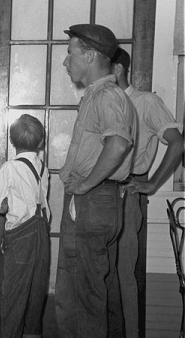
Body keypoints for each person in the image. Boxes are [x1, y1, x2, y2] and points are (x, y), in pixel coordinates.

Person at [55, 24, 137, 337]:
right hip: (94, 200)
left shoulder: (107, 95)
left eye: (70, 54)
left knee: (81, 297)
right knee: (86, 292)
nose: (66, 62)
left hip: (93, 200)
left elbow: (118, 144)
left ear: (89, 55)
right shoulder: (98, 95)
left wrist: (87, 184)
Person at [110, 47, 184, 337]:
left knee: (123, 273)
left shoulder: (146, 102)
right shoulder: (105, 103)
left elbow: (177, 143)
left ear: (117, 70)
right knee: (100, 274)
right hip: (101, 193)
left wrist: (152, 184)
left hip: (128, 190)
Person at [0, 114, 50, 338]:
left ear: (12, 142)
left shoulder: (10, 168)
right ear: (40, 142)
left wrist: (3, 207)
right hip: (41, 237)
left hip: (20, 238)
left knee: (10, 297)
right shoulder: (42, 168)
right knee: (35, 295)